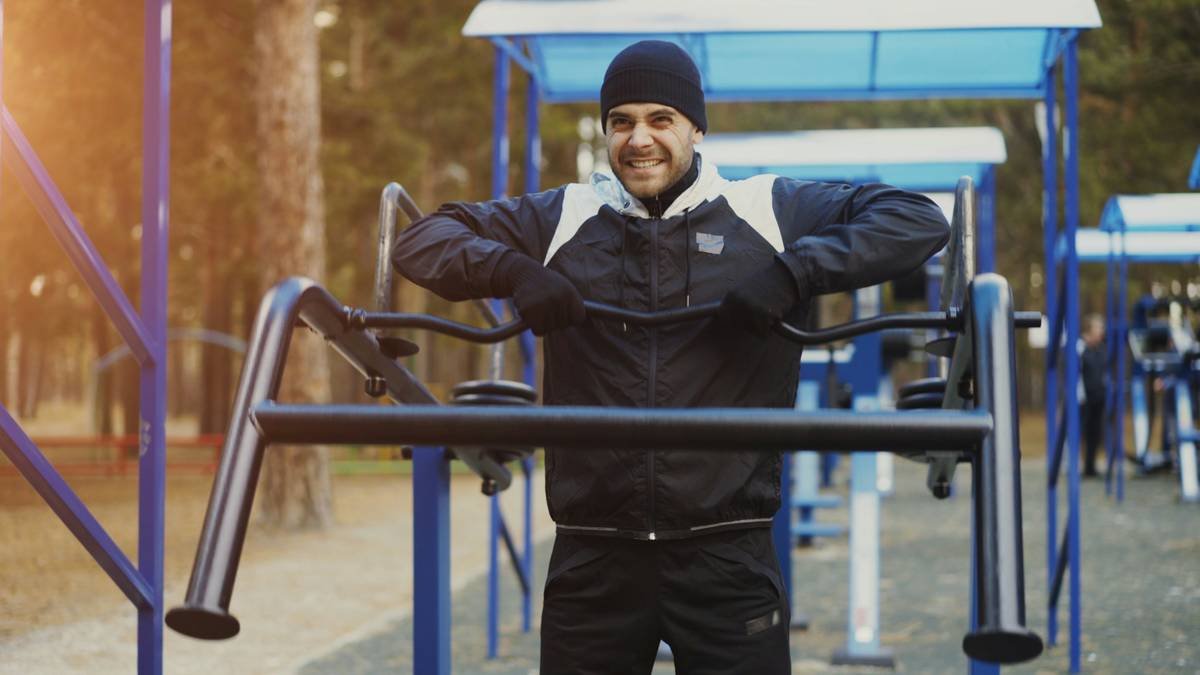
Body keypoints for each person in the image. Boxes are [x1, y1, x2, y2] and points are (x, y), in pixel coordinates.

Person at [393, 40, 949, 675]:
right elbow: (421, 239)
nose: (639, 139)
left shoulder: (764, 210)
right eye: (621, 121)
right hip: (593, 555)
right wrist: (513, 271)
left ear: (696, 128)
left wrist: (793, 272)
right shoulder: (565, 216)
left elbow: (915, 219)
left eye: (661, 119)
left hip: (728, 552)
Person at [1080, 314, 1107, 477]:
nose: (1101, 331)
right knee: (1083, 433)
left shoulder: (1101, 349)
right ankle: (1083, 465)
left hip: (1098, 397)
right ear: (1090, 330)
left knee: (1095, 434)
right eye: (1098, 327)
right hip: (1084, 400)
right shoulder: (1080, 348)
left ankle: (1090, 466)